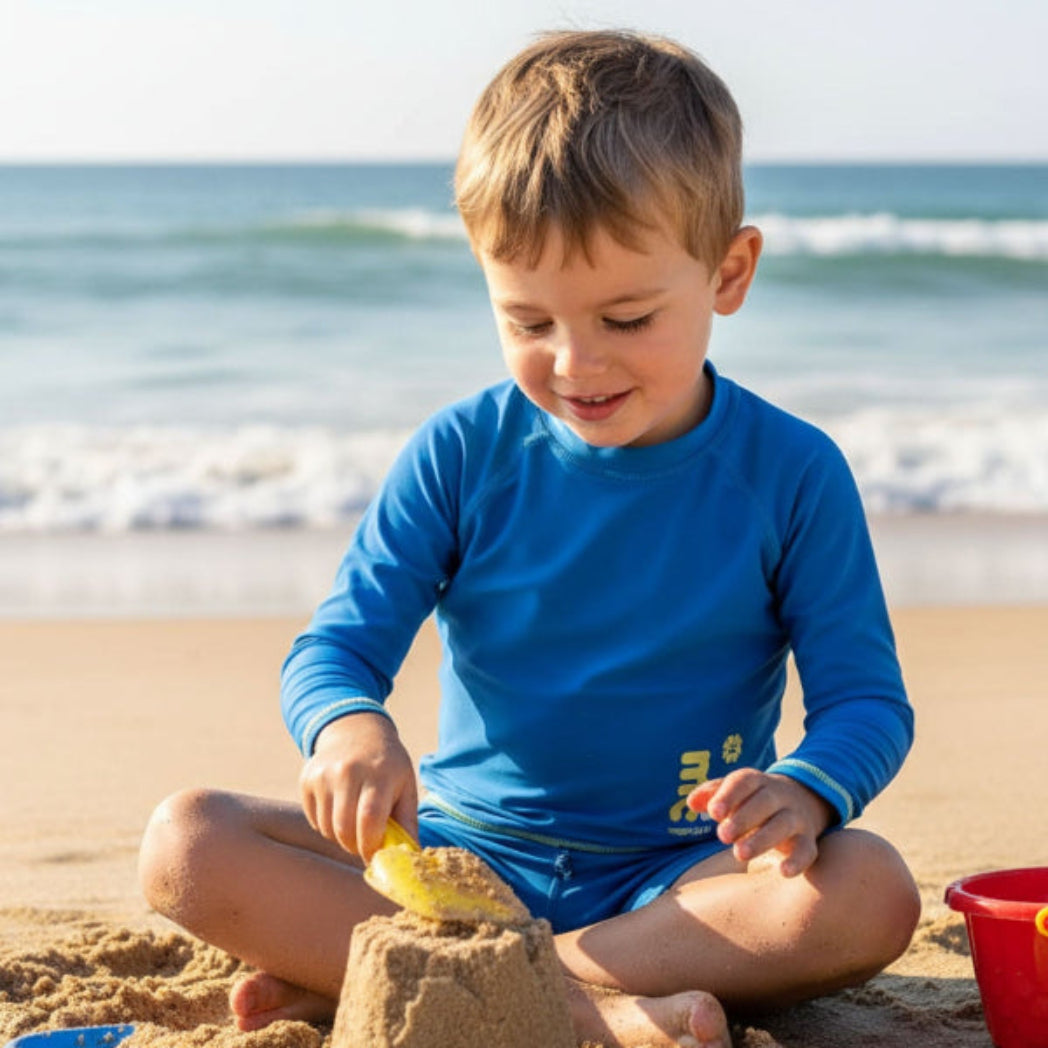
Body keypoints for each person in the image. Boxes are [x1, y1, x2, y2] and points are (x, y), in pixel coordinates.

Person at [138, 29, 920, 1048]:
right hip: (459, 860)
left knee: (868, 890)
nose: (574, 362)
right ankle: (580, 1010)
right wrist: (348, 728)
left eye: (628, 318)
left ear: (729, 272)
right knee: (189, 841)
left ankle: (446, 982)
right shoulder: (462, 452)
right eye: (526, 321)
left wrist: (805, 793)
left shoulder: (791, 471)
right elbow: (335, 648)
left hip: (678, 876)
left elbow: (865, 700)